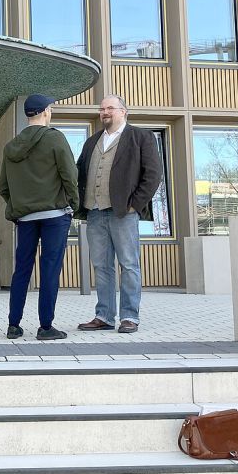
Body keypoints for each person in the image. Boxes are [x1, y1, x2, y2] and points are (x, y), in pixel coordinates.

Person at [75, 94, 163, 334]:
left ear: (124, 111)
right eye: (102, 108)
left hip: (124, 213)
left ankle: (129, 317)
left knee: (129, 265)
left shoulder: (140, 137)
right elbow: (79, 173)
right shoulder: (91, 142)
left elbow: (153, 175)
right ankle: (104, 315)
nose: (105, 112)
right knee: (101, 266)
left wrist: (135, 204)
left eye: (110, 108)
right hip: (94, 212)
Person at [0, 94, 79, 340]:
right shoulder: (55, 138)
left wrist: (18, 207)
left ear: (27, 115)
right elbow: (69, 175)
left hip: (25, 218)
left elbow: (3, 187)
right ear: (45, 111)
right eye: (50, 108)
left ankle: (14, 325)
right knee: (49, 269)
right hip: (55, 215)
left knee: (22, 269)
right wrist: (73, 204)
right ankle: (45, 327)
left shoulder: (11, 146)